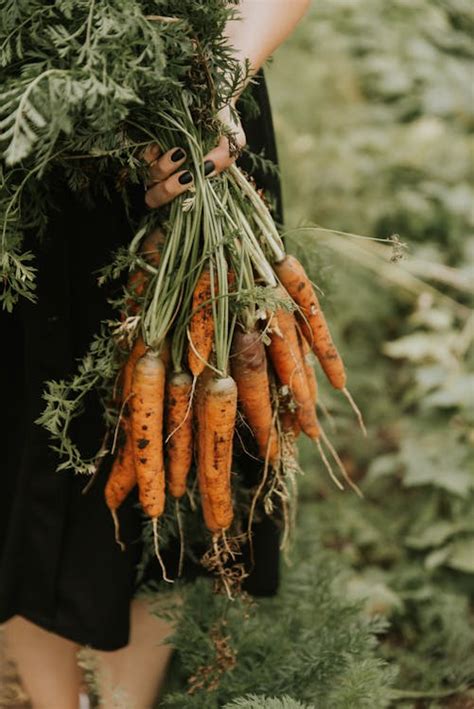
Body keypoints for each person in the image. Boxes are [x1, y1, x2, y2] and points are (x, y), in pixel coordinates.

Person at [0, 2, 311, 707]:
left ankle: (123, 701)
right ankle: (50, 698)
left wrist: (219, 81)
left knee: (185, 468)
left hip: (201, 116)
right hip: (28, 122)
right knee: (21, 443)